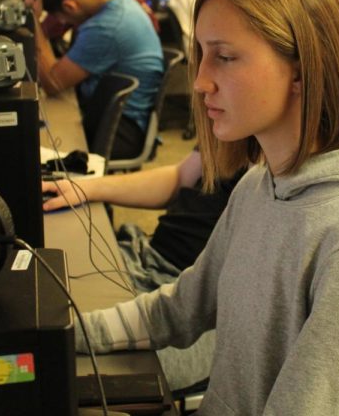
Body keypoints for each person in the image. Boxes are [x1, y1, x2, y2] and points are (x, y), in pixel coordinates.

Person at [75, 0, 339, 415]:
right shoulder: (260, 184)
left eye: (225, 57)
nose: (200, 82)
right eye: (202, 56)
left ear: (301, 69)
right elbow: (179, 310)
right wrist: (64, 334)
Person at [42, 149, 245, 390]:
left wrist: (65, 335)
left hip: (199, 316)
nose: (201, 110)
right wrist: (86, 188)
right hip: (150, 264)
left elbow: (183, 312)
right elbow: (181, 176)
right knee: (42, 293)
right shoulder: (237, 137)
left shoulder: (270, 191)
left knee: (53, 365)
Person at [32, 0, 164, 159]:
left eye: (61, 17)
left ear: (70, 6)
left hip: (119, 127)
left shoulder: (107, 26)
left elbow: (52, 82)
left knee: (44, 144)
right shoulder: (122, 0)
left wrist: (33, 19)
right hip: (119, 116)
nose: (63, 23)